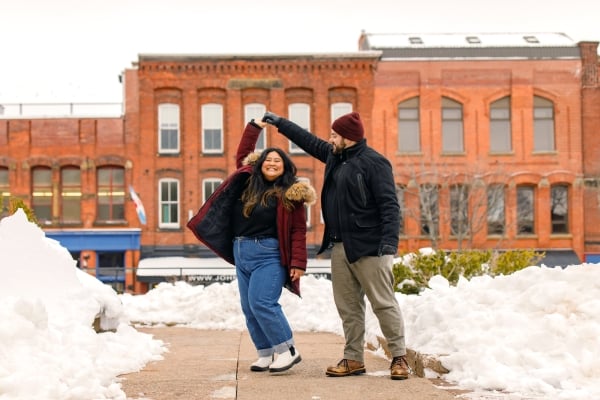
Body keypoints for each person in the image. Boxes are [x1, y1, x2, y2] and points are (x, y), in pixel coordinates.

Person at [262, 111, 410, 380]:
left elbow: (390, 206)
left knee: (383, 303)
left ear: (348, 138)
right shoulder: (335, 156)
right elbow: (308, 141)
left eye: (334, 135)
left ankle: (400, 357)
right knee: (348, 306)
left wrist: (388, 245)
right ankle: (353, 358)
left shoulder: (375, 163)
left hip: (371, 246)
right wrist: (280, 124)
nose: (329, 139)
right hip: (340, 246)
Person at [187, 119, 316, 373]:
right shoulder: (246, 181)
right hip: (241, 251)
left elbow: (298, 231)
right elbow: (242, 153)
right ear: (260, 164)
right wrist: (253, 127)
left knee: (262, 302)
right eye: (268, 160)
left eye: (278, 161)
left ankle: (287, 350)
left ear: (285, 167)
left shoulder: (290, 193)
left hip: (269, 254)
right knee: (249, 308)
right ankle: (266, 353)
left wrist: (299, 263)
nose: (272, 164)